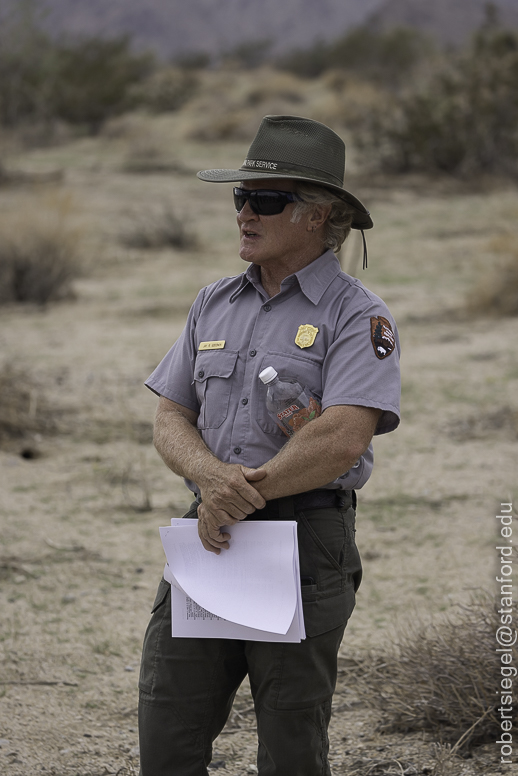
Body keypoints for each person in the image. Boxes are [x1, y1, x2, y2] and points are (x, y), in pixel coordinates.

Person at [138, 114, 401, 776]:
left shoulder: (357, 315)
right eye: (240, 198)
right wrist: (212, 480)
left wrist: (235, 494)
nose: (244, 215)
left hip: (301, 542)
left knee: (289, 743)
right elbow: (171, 415)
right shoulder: (213, 302)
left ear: (319, 216)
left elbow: (342, 437)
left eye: (266, 200)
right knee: (169, 723)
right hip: (212, 538)